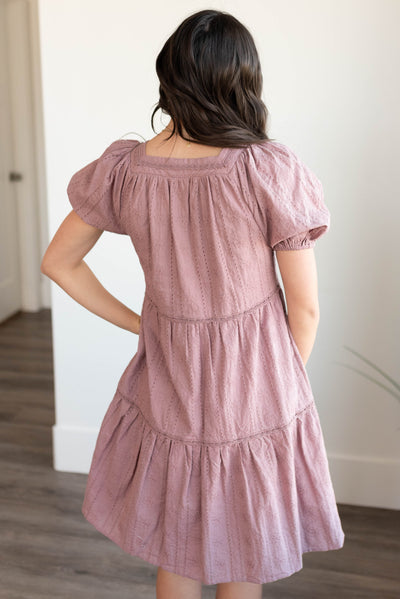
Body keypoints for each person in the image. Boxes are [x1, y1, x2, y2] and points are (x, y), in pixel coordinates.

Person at [41, 8, 345, 599]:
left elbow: (59, 262)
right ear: (241, 79)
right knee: (243, 545)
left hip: (170, 374)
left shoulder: (127, 169)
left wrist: (142, 324)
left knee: (176, 537)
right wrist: (281, 387)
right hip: (254, 381)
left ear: (170, 77)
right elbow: (304, 309)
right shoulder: (264, 169)